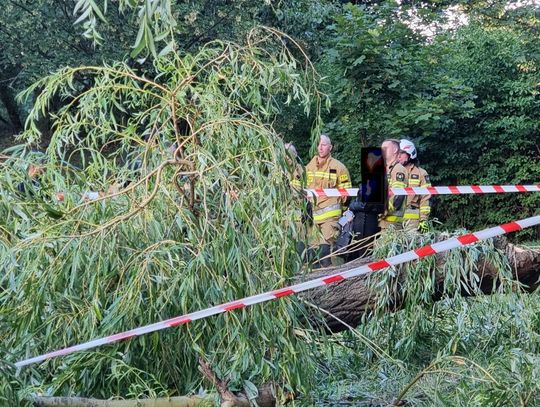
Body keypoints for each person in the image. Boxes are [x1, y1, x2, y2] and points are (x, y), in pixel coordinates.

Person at [305, 134, 352, 267]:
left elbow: (347, 194)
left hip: (330, 218)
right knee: (312, 253)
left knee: (326, 252)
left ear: (330, 147)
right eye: (318, 144)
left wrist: (343, 216)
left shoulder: (339, 167)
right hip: (313, 217)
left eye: (324, 145)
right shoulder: (308, 167)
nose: (320, 148)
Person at [398, 139, 431, 232]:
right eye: (397, 153)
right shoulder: (390, 172)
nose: (398, 156)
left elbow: (426, 198)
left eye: (401, 153)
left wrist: (423, 219)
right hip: (392, 217)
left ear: (410, 154)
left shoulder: (421, 173)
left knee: (411, 245)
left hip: (412, 218)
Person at [379, 139, 408, 230]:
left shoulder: (398, 169)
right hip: (380, 222)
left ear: (395, 150)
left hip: (391, 224)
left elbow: (397, 197)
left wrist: (382, 211)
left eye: (385, 148)